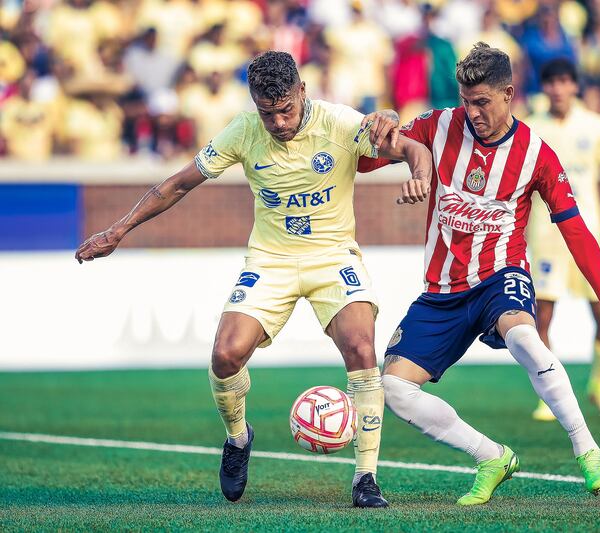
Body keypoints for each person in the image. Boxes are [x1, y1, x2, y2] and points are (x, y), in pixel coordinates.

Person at [75, 51, 433, 507]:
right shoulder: (243, 132)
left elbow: (412, 148)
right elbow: (178, 184)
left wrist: (420, 175)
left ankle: (365, 479)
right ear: (254, 105)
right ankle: (238, 439)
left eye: (286, 109)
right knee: (225, 356)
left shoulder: (341, 123)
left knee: (362, 349)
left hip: (332, 257)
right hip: (270, 259)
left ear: (302, 91)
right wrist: (117, 230)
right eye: (268, 113)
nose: (279, 122)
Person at [358, 43, 600, 505]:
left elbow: (574, 228)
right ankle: (492, 456)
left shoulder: (537, 154)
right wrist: (380, 121)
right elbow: (365, 159)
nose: (471, 112)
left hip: (501, 275)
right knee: (392, 387)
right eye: (465, 100)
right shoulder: (437, 126)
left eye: (482, 102)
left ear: (508, 93)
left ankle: (588, 451)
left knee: (525, 338)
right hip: (442, 292)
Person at [524, 58, 600, 422]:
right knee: (543, 319)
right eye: (551, 82)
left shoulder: (596, 125)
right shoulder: (532, 127)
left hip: (589, 233)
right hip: (546, 234)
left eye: (564, 81)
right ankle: (549, 395)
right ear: (544, 87)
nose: (557, 89)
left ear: (574, 85)